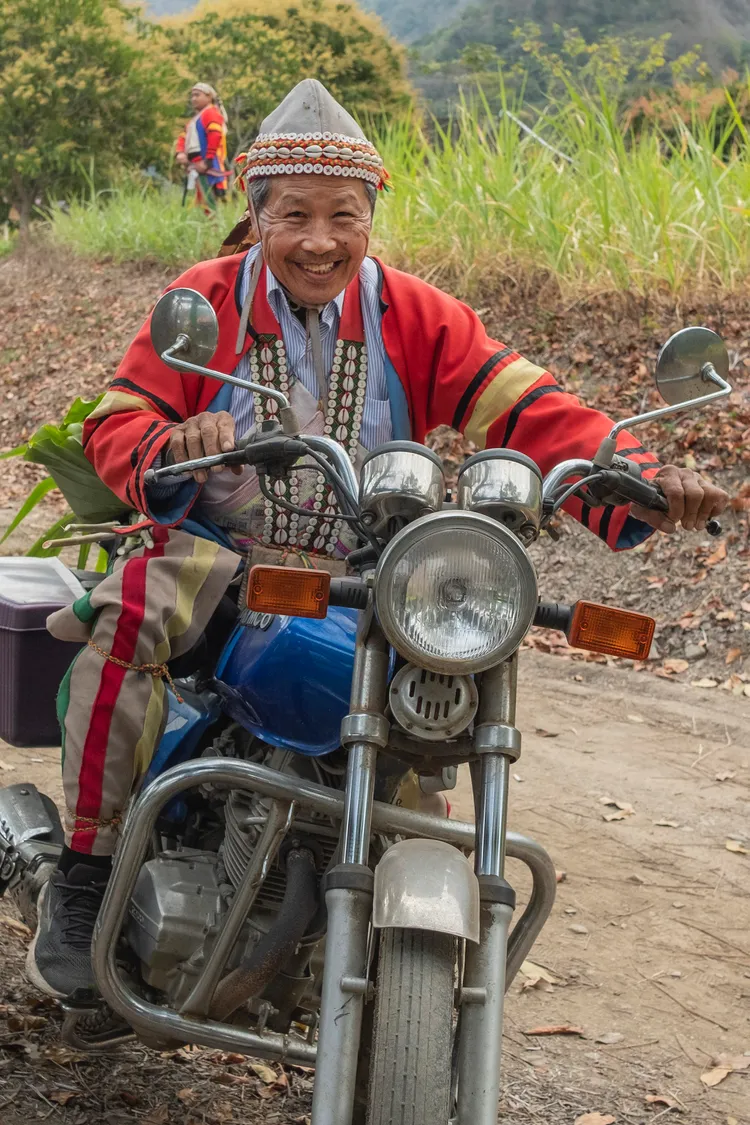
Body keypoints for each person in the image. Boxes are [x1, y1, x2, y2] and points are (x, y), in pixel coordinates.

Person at [27, 79, 728, 1000]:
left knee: (444, 690)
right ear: (257, 213)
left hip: (369, 573)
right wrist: (171, 443)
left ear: (371, 219)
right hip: (221, 559)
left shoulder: (417, 314)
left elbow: (531, 408)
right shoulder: (202, 303)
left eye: (342, 216)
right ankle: (84, 873)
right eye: (296, 215)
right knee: (130, 613)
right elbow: (121, 418)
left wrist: (636, 473)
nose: (319, 239)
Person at [175, 82, 230, 213]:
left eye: (197, 95)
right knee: (200, 199)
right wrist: (180, 152)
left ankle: (215, 227)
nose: (193, 98)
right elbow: (183, 137)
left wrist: (208, 160)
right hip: (196, 164)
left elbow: (215, 135)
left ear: (209, 96)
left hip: (207, 164)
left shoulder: (210, 113)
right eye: (192, 95)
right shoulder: (195, 119)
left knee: (209, 198)